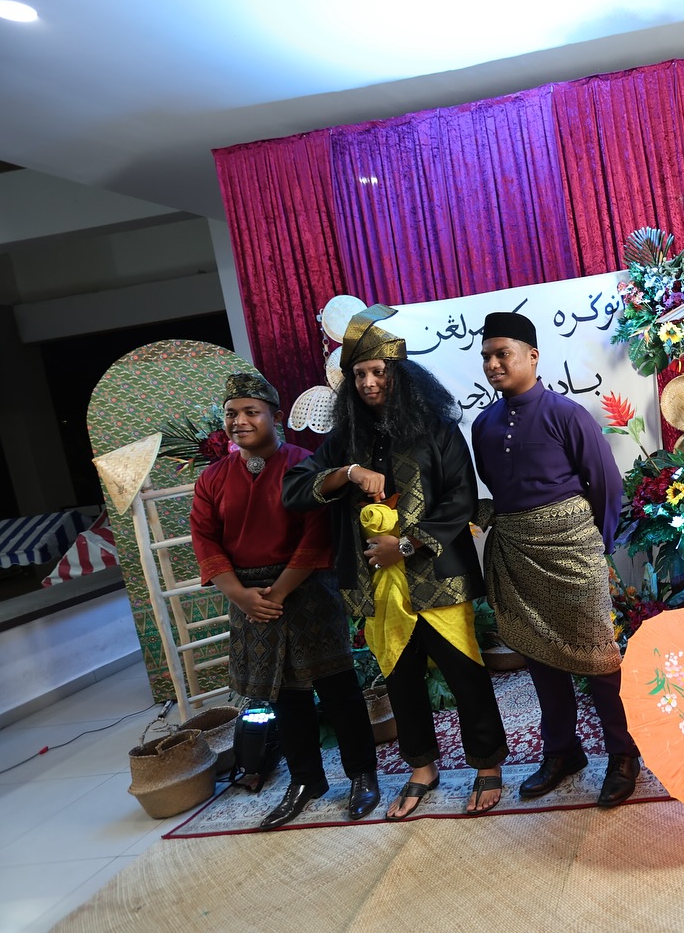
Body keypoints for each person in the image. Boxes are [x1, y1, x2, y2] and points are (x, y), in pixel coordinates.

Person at [283, 305, 508, 819]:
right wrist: (348, 472)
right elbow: (295, 490)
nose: (368, 383)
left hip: (438, 578)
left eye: (377, 372)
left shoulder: (437, 430)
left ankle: (487, 763)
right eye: (358, 375)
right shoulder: (344, 442)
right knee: (401, 679)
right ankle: (422, 767)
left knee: (465, 673)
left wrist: (405, 546)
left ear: (399, 374)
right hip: (376, 584)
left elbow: (460, 499)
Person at [189, 372, 379, 830]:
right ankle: (306, 780)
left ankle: (362, 774)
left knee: (337, 687)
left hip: (307, 589)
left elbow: (318, 534)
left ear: (275, 417)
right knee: (284, 695)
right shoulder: (212, 478)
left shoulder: (304, 465)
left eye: (251, 412)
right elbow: (205, 537)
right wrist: (240, 595)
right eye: (231, 413)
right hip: (248, 596)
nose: (239, 421)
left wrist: (278, 591)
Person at [471, 311, 640, 808]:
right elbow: (496, 486)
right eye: (486, 356)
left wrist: (595, 545)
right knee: (540, 656)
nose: (493, 364)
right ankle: (563, 752)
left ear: (532, 356)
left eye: (502, 354)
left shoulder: (567, 413)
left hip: (573, 551)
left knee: (599, 658)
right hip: (518, 551)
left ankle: (623, 753)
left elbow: (606, 483)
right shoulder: (483, 424)